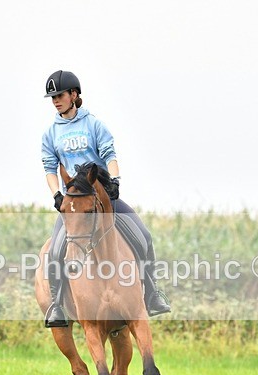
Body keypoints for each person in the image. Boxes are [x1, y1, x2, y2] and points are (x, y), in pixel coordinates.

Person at [40, 69, 171, 327]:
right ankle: (57, 305)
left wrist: (115, 181)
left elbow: (109, 154)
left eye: (60, 95)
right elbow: (49, 167)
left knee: (143, 235)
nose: (55, 100)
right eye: (52, 97)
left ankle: (153, 293)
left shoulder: (93, 124)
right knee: (55, 250)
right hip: (75, 204)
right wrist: (56, 194)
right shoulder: (50, 133)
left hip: (103, 197)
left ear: (74, 95)